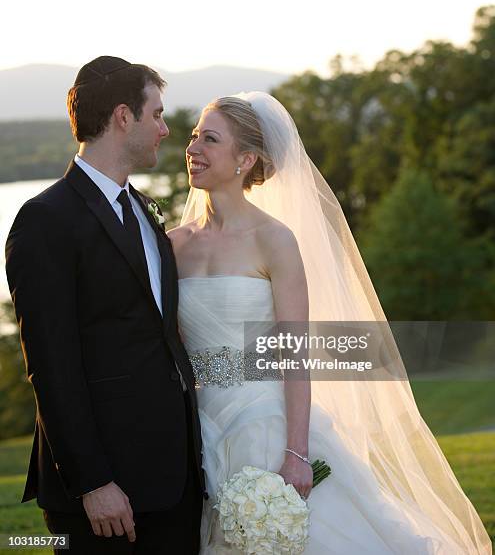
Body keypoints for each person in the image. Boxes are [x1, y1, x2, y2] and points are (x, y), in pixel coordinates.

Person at [168, 92, 492, 553]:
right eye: (195, 135)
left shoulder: (274, 240)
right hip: (197, 429)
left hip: (264, 422)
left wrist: (297, 453)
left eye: (210, 139)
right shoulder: (172, 245)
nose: (193, 148)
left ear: (245, 159)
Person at [5, 56, 205, 554]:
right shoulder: (45, 220)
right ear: (123, 116)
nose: (164, 129)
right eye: (156, 114)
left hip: (174, 482)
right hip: (104, 494)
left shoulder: (141, 210)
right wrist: (92, 482)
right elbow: (51, 366)